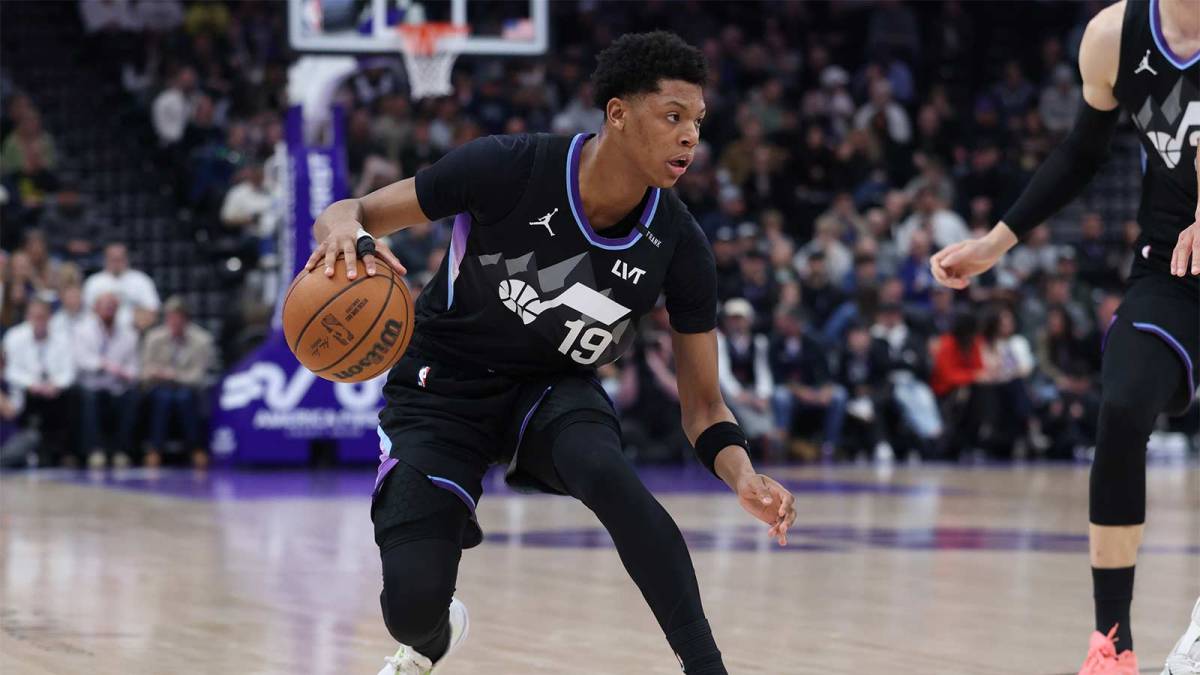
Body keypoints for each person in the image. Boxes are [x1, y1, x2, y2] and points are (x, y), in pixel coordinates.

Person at [304, 32, 797, 675]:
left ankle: (707, 667)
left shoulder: (679, 244)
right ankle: (432, 634)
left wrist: (744, 476)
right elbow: (354, 210)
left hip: (552, 389)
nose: (689, 137)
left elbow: (703, 406)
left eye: (697, 122)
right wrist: (344, 228)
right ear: (617, 114)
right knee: (411, 607)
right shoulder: (507, 167)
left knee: (609, 474)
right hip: (441, 383)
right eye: (672, 117)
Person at [929, 1, 1199, 671]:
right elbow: (1081, 152)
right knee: (1122, 403)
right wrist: (996, 244)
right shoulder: (1114, 35)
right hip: (1174, 264)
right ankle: (1113, 642)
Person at [141, 296, 216, 468]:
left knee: (183, 398)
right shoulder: (154, 338)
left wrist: (172, 375)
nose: (174, 321)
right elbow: (145, 371)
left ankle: (196, 449)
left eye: (178, 317)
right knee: (163, 398)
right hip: (158, 387)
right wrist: (158, 374)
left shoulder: (202, 340)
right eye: (171, 317)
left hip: (187, 388)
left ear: (186, 319)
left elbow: (197, 377)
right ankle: (155, 450)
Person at [1, 298, 75, 466]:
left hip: (55, 392)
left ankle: (59, 453)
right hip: (25, 391)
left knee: (72, 395)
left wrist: (56, 384)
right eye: (35, 316)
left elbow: (69, 372)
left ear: (50, 317)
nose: (39, 321)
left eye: (43, 317)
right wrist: (31, 384)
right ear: (28, 317)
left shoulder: (62, 338)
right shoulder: (14, 336)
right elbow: (10, 370)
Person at [75, 292, 140, 469]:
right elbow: (81, 360)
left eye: (112, 306)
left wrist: (126, 373)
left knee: (132, 395)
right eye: (105, 306)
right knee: (89, 398)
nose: (109, 310)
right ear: (96, 308)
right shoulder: (83, 330)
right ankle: (95, 450)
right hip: (92, 384)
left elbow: (134, 366)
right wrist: (103, 365)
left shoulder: (128, 334)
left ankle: (122, 451)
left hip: (117, 385)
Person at [82, 242, 161, 331]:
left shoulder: (141, 280)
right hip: (101, 333)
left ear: (126, 259)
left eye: (119, 259)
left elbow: (152, 310)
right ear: (105, 259)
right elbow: (87, 312)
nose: (116, 263)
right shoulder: (94, 282)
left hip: (135, 331)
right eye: (113, 259)